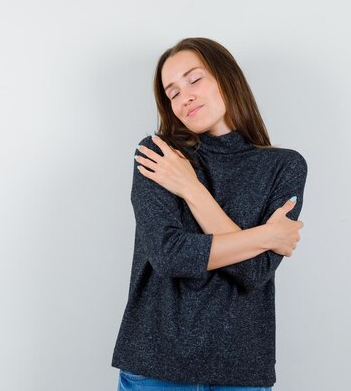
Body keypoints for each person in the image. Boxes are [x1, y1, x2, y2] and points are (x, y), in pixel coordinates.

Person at [111, 37, 308, 391]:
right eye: (172, 92)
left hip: (241, 371)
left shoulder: (284, 166)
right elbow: (168, 255)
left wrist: (191, 188)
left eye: (194, 79)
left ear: (226, 77)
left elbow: (252, 272)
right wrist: (266, 236)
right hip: (157, 365)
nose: (183, 96)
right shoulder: (159, 156)